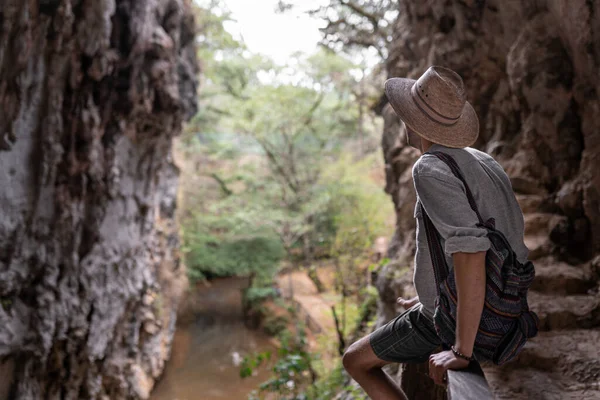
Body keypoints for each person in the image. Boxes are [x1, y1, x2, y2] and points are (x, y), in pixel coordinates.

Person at [341, 66, 529, 399]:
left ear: (415, 121)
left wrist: (461, 351)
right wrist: (438, 292)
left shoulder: (430, 168)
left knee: (355, 360)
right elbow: (509, 237)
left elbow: (471, 253)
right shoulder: (482, 160)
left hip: (458, 319)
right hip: (506, 306)